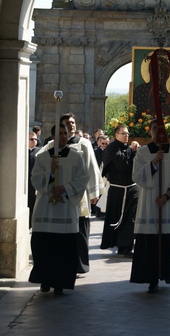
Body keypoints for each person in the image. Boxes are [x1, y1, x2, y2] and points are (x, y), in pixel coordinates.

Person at [38, 112, 104, 274]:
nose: (71, 125)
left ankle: (80, 263)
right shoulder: (50, 147)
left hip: (77, 194)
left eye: (73, 123)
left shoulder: (84, 144)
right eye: (67, 123)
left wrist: (93, 191)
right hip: (56, 193)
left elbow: (91, 168)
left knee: (80, 229)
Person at [130, 118, 170, 293]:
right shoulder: (142, 153)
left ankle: (166, 269)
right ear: (150, 131)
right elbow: (137, 177)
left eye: (160, 128)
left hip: (168, 205)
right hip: (149, 204)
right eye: (154, 128)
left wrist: (168, 195)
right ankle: (151, 278)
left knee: (167, 240)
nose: (158, 131)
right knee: (150, 242)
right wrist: (154, 162)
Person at [29, 123, 89, 295]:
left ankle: (60, 283)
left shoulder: (76, 157)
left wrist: (65, 188)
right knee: (45, 247)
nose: (63, 136)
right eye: (60, 134)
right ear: (53, 136)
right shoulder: (42, 157)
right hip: (45, 209)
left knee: (64, 249)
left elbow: (82, 179)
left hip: (65, 209)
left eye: (65, 133)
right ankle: (45, 280)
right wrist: (51, 173)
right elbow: (35, 180)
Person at [100, 124, 138, 257]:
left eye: (127, 133)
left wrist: (133, 152)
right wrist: (132, 152)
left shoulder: (127, 148)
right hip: (118, 190)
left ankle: (126, 247)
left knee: (130, 219)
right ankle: (120, 244)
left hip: (131, 189)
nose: (127, 136)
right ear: (116, 135)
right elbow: (122, 164)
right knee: (118, 218)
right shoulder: (112, 148)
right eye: (124, 133)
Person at [28, 130, 41, 228]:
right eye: (32, 139)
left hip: (35, 183)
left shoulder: (39, 152)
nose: (34, 141)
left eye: (36, 139)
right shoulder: (22, 151)